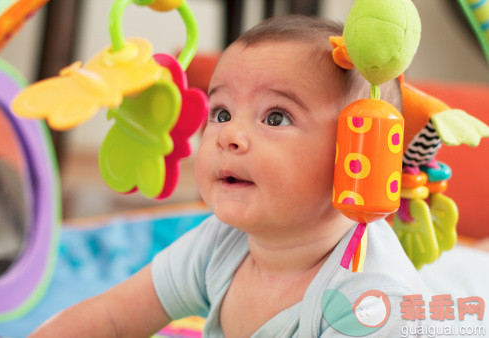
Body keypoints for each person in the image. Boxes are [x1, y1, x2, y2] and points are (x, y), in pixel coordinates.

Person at [31, 15, 427, 337]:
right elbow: (112, 318)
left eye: (276, 116)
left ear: (359, 154)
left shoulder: (371, 301)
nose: (229, 136)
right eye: (221, 113)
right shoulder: (221, 241)